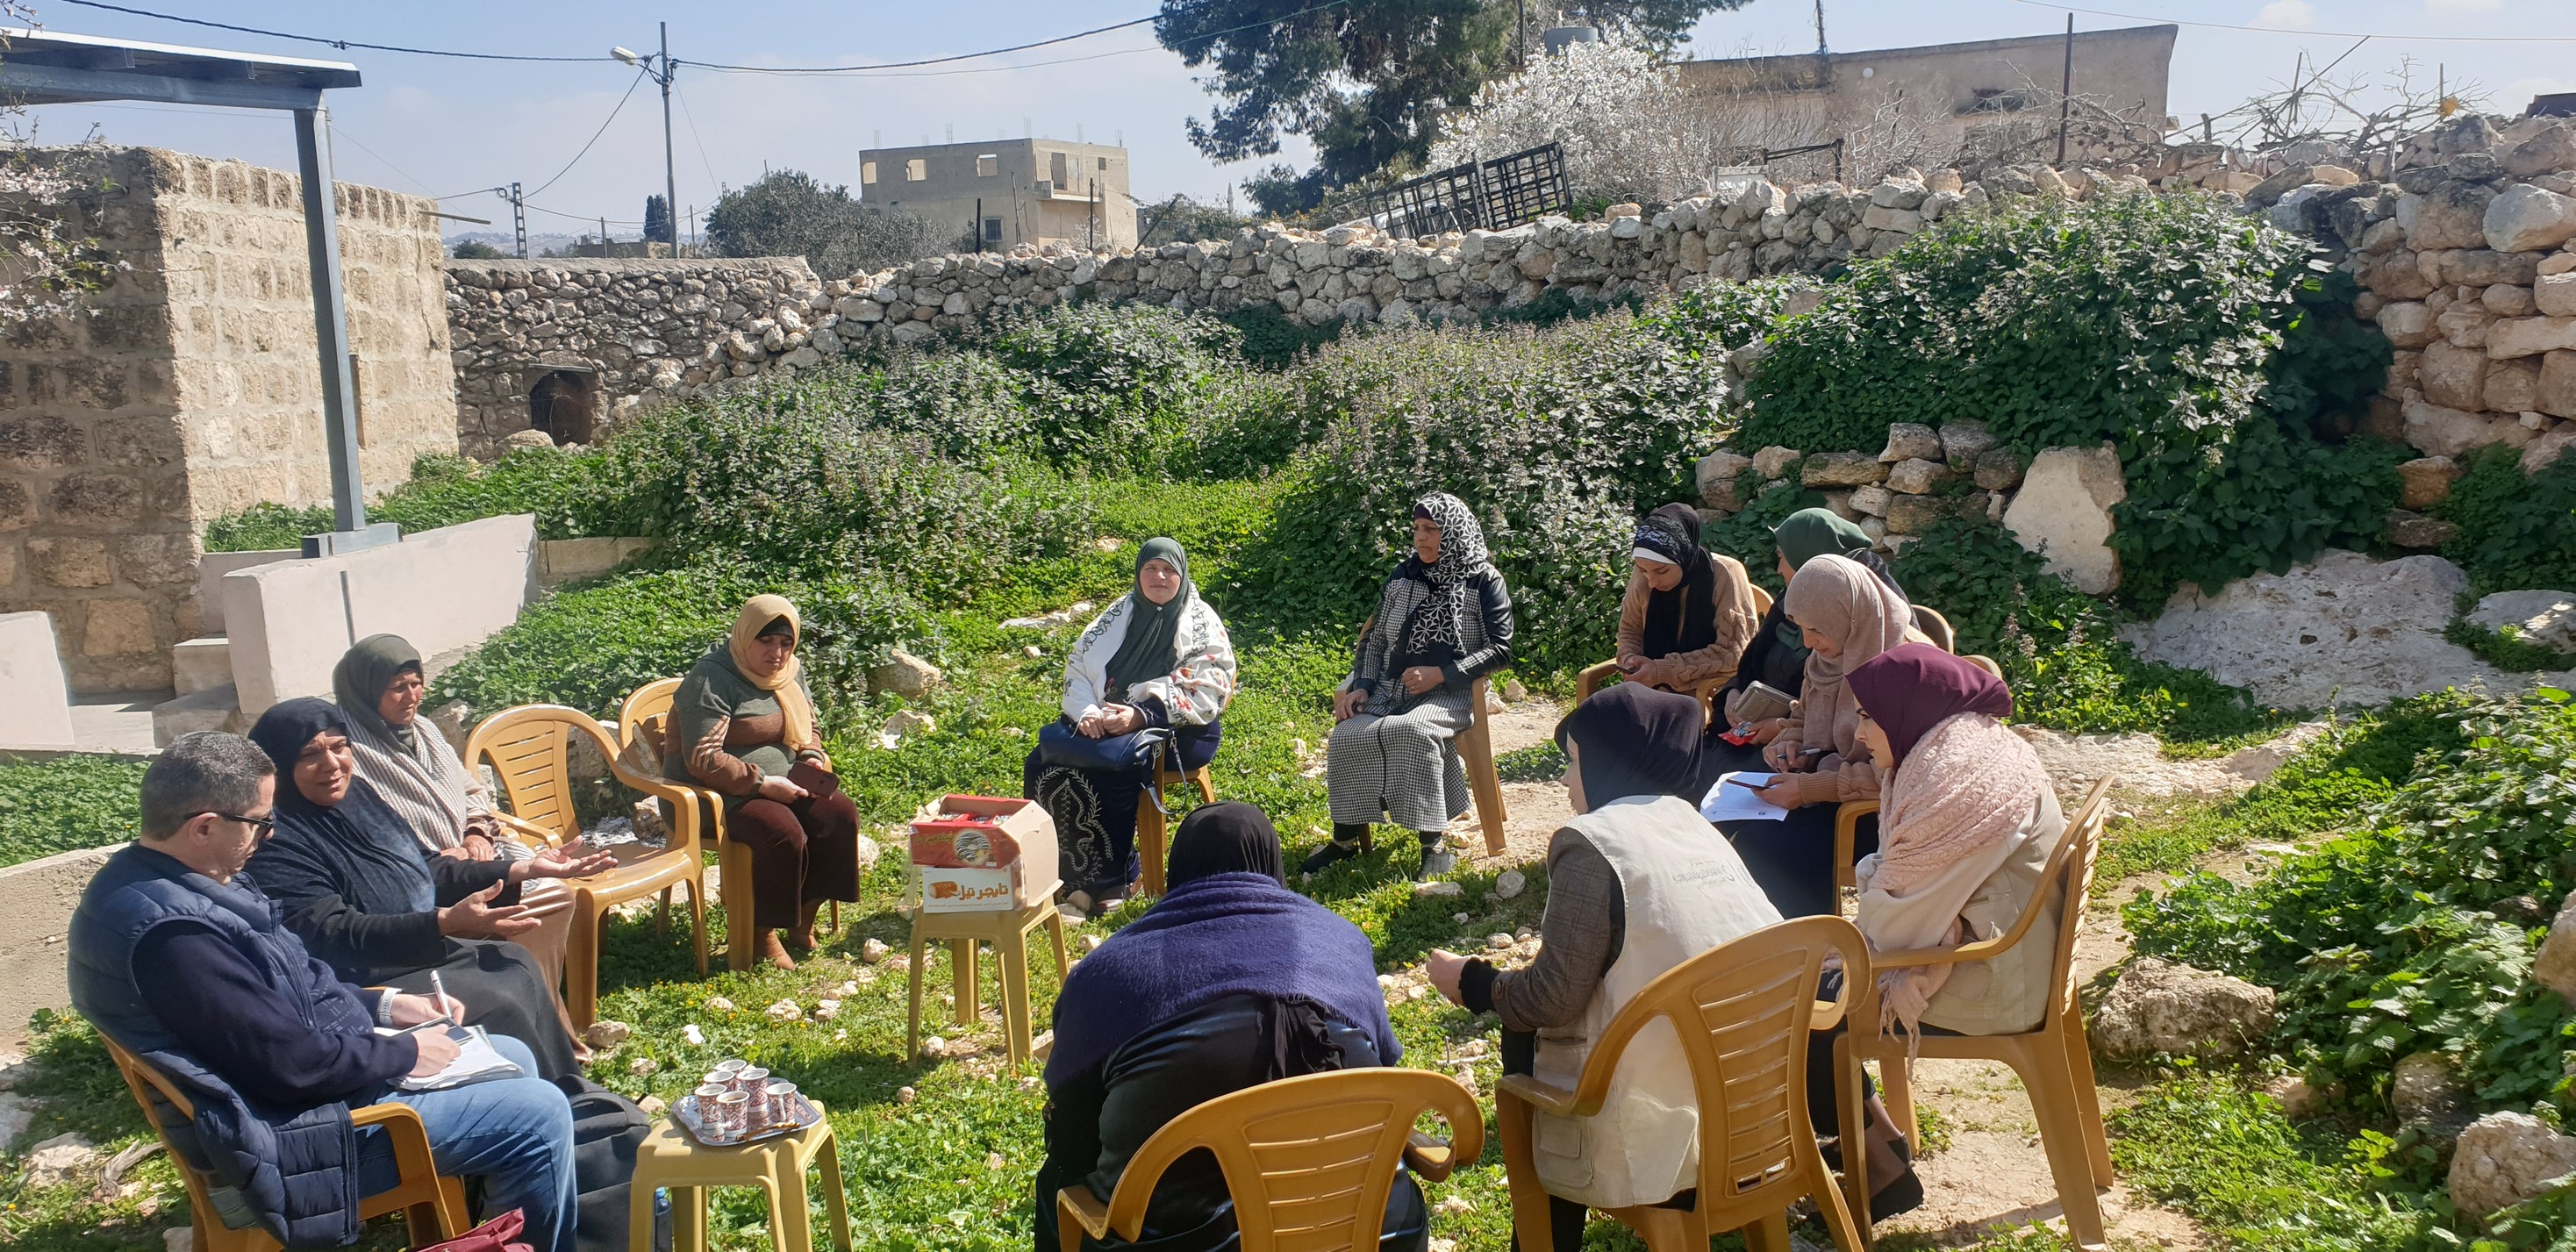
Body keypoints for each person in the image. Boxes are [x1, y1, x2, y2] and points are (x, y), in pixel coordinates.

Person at [1421, 683, 1926, 1238]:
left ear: (1610, 763)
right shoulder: (1693, 824)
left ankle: (1546, 1239)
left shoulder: (1590, 843)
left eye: (1572, 763)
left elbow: (1551, 998)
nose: (1565, 782)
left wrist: (1471, 981)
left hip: (1662, 1118)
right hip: (1759, 1114)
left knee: (1524, 1037)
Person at [68, 732, 581, 1252]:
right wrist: (403, 1051)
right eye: (261, 822)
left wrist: (386, 1004)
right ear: (204, 827)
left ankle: (488, 1224)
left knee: (510, 1053)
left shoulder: (187, 878)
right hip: (287, 1146)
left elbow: (296, 976)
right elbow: (290, 1064)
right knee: (539, 1115)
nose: (268, 836)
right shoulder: (177, 938)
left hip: (301, 1105)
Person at [1035, 802, 1421, 1252]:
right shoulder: (1340, 941)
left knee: (1057, 1182)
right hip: (1373, 1229)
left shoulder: (1111, 972)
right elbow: (1384, 1064)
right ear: (1272, 864)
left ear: (1179, 871)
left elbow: (1074, 1136)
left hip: (1180, 1240)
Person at [246, 698, 600, 1081]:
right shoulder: (275, 836)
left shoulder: (357, 795)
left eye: (339, 746)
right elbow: (329, 932)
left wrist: (521, 868)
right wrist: (444, 922)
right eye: (310, 754)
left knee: (513, 962)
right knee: (498, 999)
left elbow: (425, 866)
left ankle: (569, 1093)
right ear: (278, 766)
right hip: (361, 976)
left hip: (412, 948)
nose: (332, 765)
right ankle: (530, 1104)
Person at [333, 634, 582, 1034]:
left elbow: (469, 790)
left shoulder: (426, 731)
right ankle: (527, 1016)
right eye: (397, 688)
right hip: (419, 877)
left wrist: (476, 832)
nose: (411, 696)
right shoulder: (350, 750)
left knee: (553, 893)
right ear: (365, 690)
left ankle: (544, 1012)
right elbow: (377, 828)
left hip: (473, 853)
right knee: (543, 899)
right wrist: (443, 856)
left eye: (416, 683)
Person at [1306, 492, 1515, 881]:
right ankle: (1345, 840)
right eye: (1417, 529)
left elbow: (1501, 650)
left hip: (1452, 692)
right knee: (1347, 735)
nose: (1421, 538)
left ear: (1452, 532)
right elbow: (1375, 640)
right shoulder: (1403, 576)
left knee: (1413, 731)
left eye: (1431, 529)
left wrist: (1443, 674)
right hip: (1390, 688)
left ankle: (1432, 844)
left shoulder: (1483, 579)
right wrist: (1364, 685)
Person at [1026, 538, 1238, 914]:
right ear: (1138, 574)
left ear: (1183, 575)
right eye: (1150, 569)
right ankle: (1059, 876)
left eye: (1169, 570)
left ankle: (1115, 880)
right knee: (1043, 760)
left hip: (1177, 731)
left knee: (1116, 765)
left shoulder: (1201, 622)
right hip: (1104, 720)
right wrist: (1088, 712)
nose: (1160, 576)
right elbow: (1079, 666)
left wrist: (1141, 715)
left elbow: (1210, 685)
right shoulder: (1117, 614)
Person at [667, 594, 865, 969]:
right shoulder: (711, 679)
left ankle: (804, 915)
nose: (777, 653)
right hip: (714, 793)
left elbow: (810, 725)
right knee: (782, 831)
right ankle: (762, 931)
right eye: (766, 641)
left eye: (786, 643)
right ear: (745, 636)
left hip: (783, 779)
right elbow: (702, 758)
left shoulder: (789, 673)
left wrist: (810, 756)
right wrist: (762, 785)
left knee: (839, 815)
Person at [1726, 554, 1926, 919]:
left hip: (1880, 810)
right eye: (1801, 628)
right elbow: (1804, 714)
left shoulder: (1906, 665)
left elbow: (1900, 777)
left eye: (1817, 629)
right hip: (1830, 781)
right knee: (1741, 827)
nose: (1808, 641)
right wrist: (1790, 743)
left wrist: (1809, 789)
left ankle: (1811, 955)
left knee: (1780, 844)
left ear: (1848, 615)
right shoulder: (1829, 656)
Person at [1707, 507, 1906, 773]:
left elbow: (1881, 765)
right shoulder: (1802, 601)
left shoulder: (1870, 630)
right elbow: (1804, 710)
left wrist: (1781, 730)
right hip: (1791, 752)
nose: (1809, 642)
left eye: (1782, 557)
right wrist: (1735, 692)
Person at [1611, 503, 1760, 699]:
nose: (1652, 582)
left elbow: (1733, 653)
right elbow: (1630, 630)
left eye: (1662, 571)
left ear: (1683, 556)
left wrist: (1661, 670)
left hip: (1706, 689)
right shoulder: (1644, 575)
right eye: (1642, 570)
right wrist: (1630, 660)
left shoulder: (1725, 574)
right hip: (1646, 687)